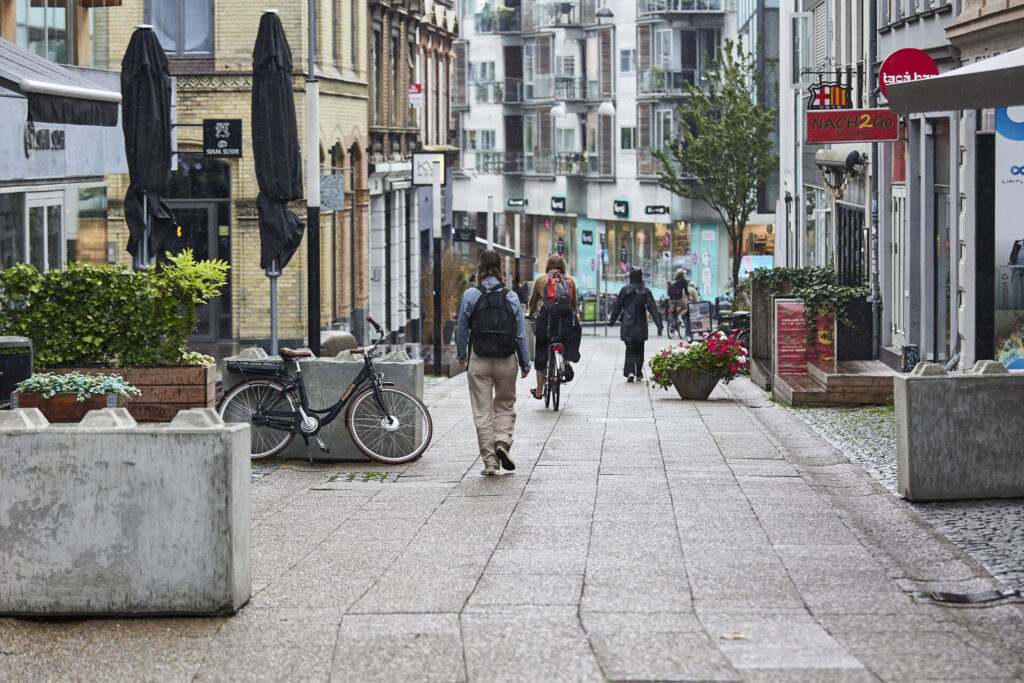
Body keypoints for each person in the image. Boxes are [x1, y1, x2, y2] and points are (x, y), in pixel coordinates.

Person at [456, 250, 531, 475]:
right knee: (505, 404)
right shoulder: (511, 296)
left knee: (482, 411)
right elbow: (520, 334)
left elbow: (461, 329)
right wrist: (526, 362)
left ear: (479, 268)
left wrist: (462, 355)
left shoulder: (471, 294)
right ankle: (502, 442)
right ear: (500, 269)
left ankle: (490, 462)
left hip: (479, 359)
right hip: (506, 359)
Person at [527, 254, 581, 399]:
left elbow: (533, 303)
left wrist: (530, 314)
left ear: (548, 265)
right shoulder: (570, 281)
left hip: (547, 322)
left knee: (541, 350)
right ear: (563, 267)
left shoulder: (541, 280)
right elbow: (574, 304)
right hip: (566, 322)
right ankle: (567, 363)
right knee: (568, 338)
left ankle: (539, 391)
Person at [609, 267, 662, 382]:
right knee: (639, 348)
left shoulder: (625, 290)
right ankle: (638, 372)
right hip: (640, 325)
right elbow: (653, 308)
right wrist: (659, 324)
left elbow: (617, 307)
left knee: (629, 348)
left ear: (630, 276)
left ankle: (630, 372)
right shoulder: (645, 291)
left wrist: (612, 321)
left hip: (628, 324)